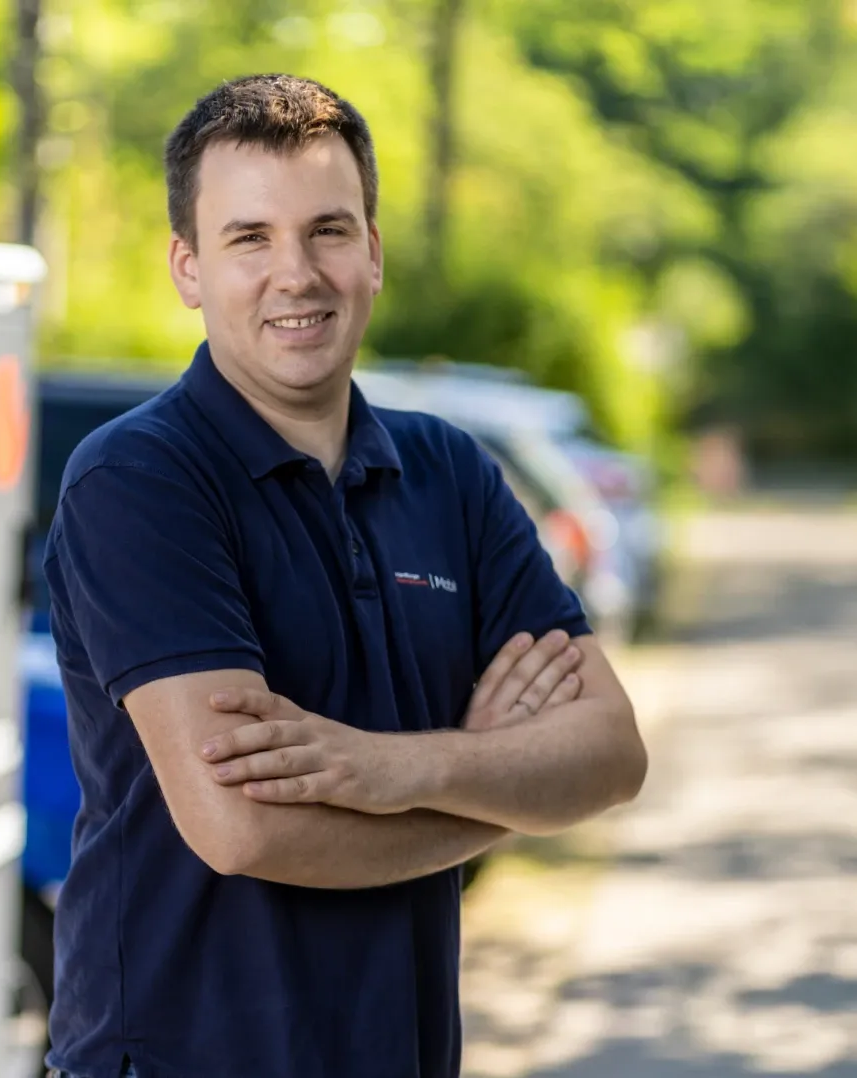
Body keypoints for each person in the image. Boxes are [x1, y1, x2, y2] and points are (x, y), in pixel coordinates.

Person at [42, 74, 647, 1078]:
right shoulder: (137, 478)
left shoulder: (447, 472)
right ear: (187, 270)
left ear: (371, 253)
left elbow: (610, 752)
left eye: (327, 231)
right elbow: (242, 825)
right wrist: (506, 791)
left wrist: (397, 767)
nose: (295, 274)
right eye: (249, 239)